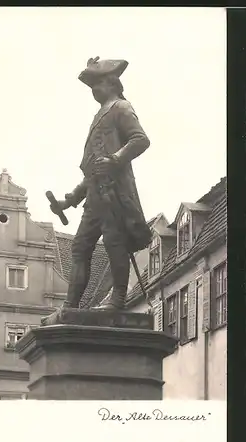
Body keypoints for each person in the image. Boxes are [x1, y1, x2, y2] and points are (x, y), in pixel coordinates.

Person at [51, 57, 152, 311]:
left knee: (114, 242)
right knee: (80, 247)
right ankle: (70, 306)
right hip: (96, 194)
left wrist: (116, 159)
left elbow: (140, 140)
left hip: (115, 193)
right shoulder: (100, 114)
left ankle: (118, 300)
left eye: (97, 84)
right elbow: (93, 170)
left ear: (111, 83)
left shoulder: (121, 107)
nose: (93, 89)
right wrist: (71, 199)